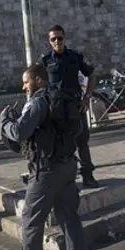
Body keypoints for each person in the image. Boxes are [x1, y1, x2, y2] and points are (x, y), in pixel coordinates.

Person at [0, 63, 92, 250]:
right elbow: (78, 130)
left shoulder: (39, 101)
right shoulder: (62, 98)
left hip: (46, 171)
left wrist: (4, 121)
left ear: (39, 81)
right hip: (68, 165)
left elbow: (20, 132)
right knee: (70, 220)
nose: (24, 87)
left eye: (26, 81)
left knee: (31, 221)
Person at [40, 25, 99, 188]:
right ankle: (66, 179)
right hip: (56, 110)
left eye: (60, 38)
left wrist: (87, 97)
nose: (57, 41)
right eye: (53, 39)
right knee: (60, 145)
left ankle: (88, 175)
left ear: (65, 38)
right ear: (49, 41)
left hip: (75, 106)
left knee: (82, 142)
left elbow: (92, 75)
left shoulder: (75, 56)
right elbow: (40, 83)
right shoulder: (45, 61)